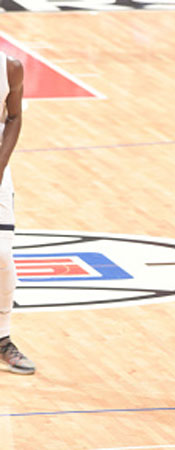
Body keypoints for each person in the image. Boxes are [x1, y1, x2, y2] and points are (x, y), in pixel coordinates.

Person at [0, 52, 34, 375]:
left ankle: (2, 338)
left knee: (2, 254)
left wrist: (0, 165)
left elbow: (14, 117)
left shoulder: (10, 68)